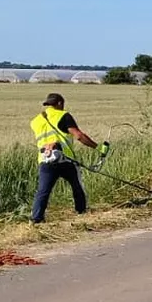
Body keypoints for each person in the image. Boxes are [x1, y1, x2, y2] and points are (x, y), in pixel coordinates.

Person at [30, 92, 101, 224]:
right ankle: (81, 212)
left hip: (45, 159)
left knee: (43, 191)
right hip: (65, 159)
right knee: (77, 186)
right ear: (60, 103)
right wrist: (97, 147)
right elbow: (79, 136)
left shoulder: (35, 121)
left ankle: (36, 219)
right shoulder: (64, 115)